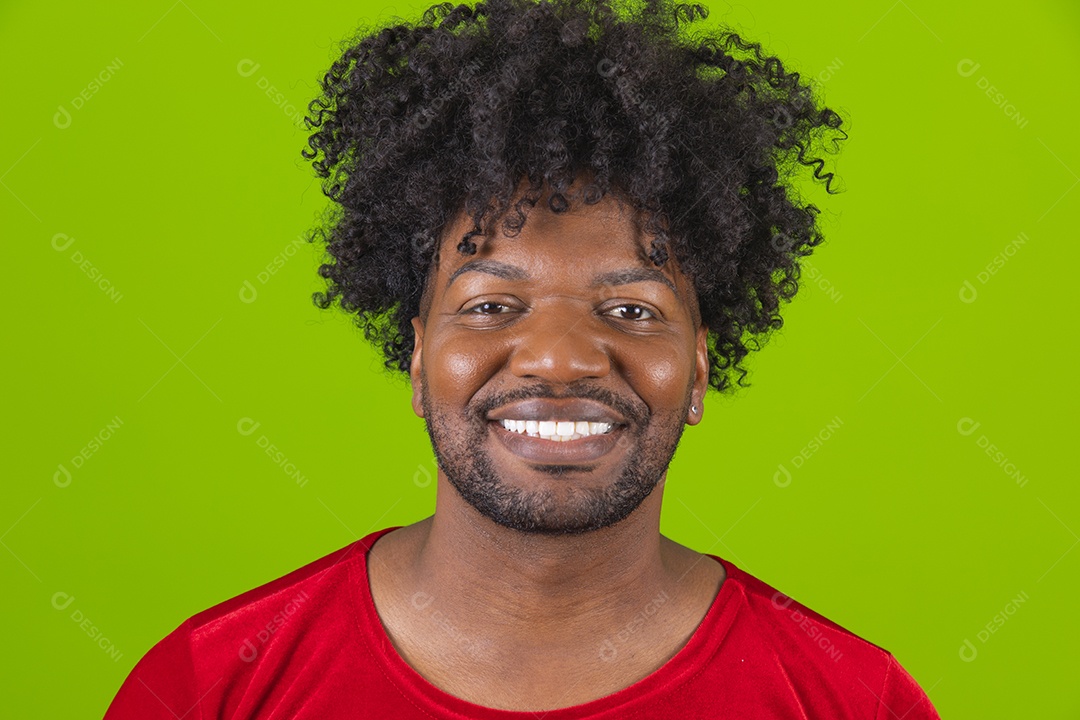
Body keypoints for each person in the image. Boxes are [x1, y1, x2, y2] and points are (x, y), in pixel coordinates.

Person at [104, 0, 942, 716]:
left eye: (629, 309)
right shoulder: (211, 686)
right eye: (492, 305)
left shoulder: (849, 699)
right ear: (418, 355)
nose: (560, 359)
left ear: (698, 367)